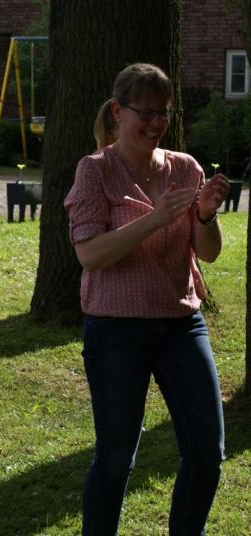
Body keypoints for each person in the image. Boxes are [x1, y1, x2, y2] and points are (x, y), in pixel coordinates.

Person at [65, 63, 229, 535]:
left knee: (207, 452)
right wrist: (155, 219)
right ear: (119, 112)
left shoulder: (185, 167)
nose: (156, 123)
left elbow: (208, 254)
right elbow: (90, 254)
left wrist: (204, 215)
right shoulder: (95, 170)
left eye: (164, 113)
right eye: (147, 112)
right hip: (115, 329)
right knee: (116, 458)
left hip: (181, 325)